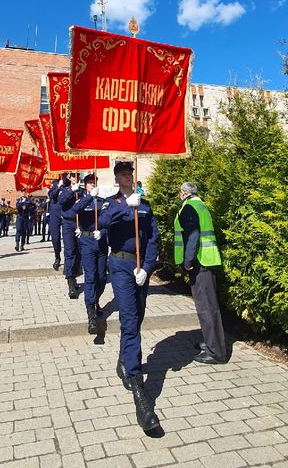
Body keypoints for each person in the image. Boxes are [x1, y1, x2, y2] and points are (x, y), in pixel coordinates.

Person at [98, 161, 160, 432]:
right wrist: (126, 206)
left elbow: (153, 238)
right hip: (120, 265)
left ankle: (125, 358)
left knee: (139, 315)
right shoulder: (110, 203)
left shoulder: (145, 205)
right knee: (130, 321)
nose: (127, 176)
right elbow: (101, 222)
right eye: (123, 174)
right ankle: (139, 392)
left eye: (130, 173)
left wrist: (147, 267)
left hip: (139, 266)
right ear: (116, 178)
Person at [175, 181, 228, 364]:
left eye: (180, 193)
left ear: (183, 193)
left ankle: (216, 352)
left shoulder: (189, 207)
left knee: (206, 308)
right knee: (210, 306)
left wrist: (188, 261)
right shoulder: (201, 205)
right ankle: (212, 343)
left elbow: (193, 236)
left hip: (200, 262)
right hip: (207, 260)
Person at [72, 173, 107, 334]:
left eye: (95, 183)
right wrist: (89, 197)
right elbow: (75, 210)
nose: (93, 185)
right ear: (85, 186)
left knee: (102, 277)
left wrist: (103, 232)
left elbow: (108, 220)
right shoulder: (82, 200)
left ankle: (96, 299)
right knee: (91, 277)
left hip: (101, 241)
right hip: (87, 241)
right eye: (90, 183)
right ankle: (91, 313)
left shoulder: (102, 202)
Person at [59, 173, 82, 299]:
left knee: (79, 252)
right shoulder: (65, 190)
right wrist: (72, 191)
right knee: (70, 251)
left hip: (80, 223)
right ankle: (70, 281)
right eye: (73, 176)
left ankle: (75, 274)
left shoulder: (82, 191)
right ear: (70, 178)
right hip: (68, 223)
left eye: (77, 176)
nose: (75, 178)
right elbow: (61, 201)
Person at [48, 178, 64, 270]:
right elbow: (51, 195)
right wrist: (58, 187)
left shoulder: (68, 183)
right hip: (55, 215)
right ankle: (57, 257)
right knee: (55, 238)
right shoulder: (55, 183)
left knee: (69, 239)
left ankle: (72, 259)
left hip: (65, 213)